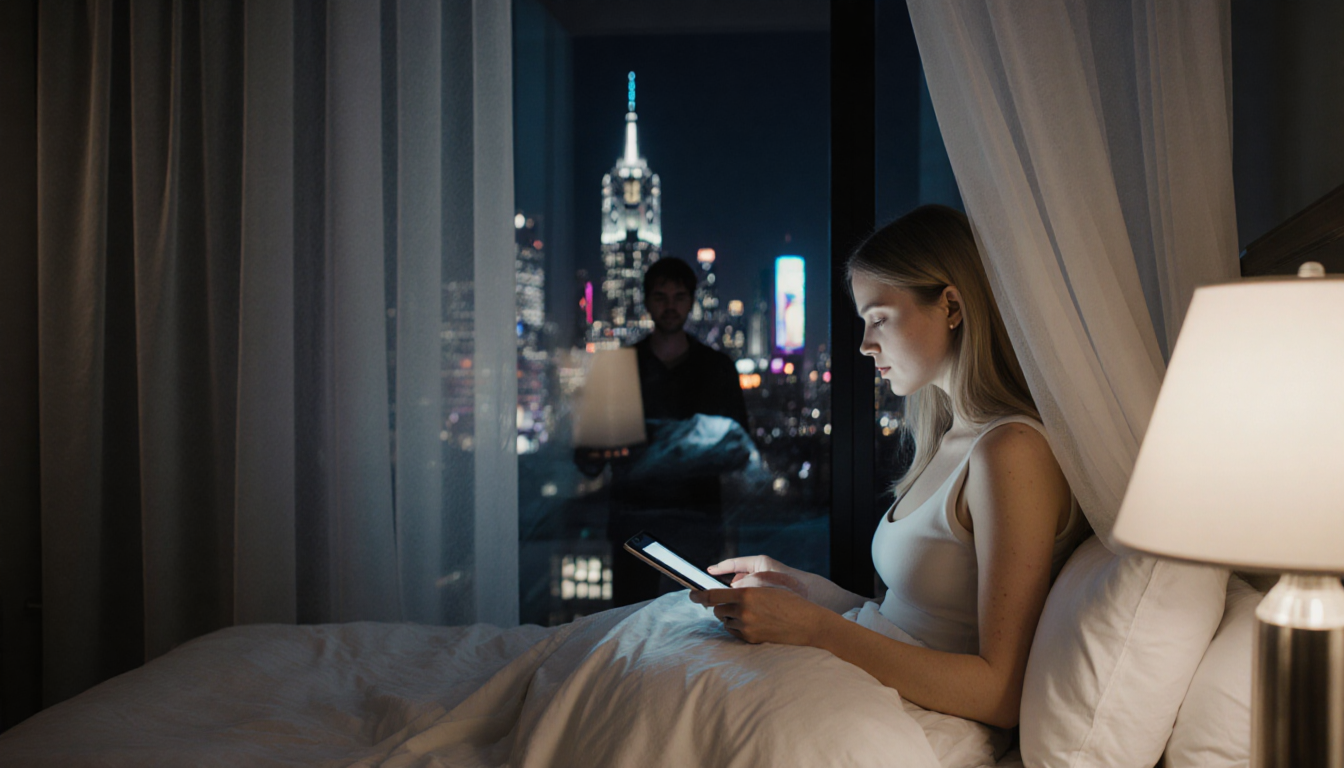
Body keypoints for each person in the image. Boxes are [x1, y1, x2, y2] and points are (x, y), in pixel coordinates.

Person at [690, 205, 1084, 729]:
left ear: (951, 306)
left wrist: (815, 628)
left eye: (879, 318)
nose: (864, 344)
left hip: (917, 721)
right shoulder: (951, 439)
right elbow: (911, 620)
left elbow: (1001, 693)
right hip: (879, 690)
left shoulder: (1012, 451)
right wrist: (805, 593)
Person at [607, 256, 750, 607]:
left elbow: (739, 448)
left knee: (696, 620)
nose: (670, 306)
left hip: (695, 522)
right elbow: (593, 451)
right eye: (661, 297)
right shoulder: (620, 368)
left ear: (691, 301)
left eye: (679, 297)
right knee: (632, 620)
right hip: (636, 524)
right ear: (646, 301)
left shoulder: (717, 368)